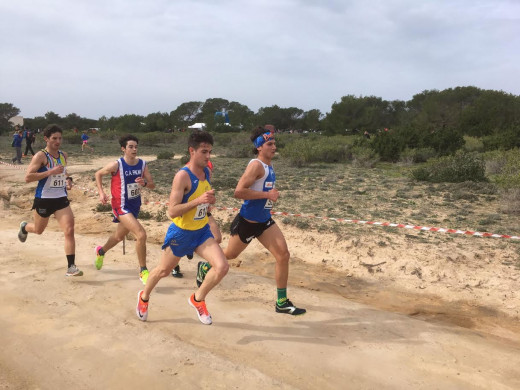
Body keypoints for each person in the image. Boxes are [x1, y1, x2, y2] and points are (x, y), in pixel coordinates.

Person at [196, 127, 306, 316]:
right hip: (247, 223)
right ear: (259, 148)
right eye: (269, 144)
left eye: (274, 143)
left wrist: (270, 196)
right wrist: (267, 194)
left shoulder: (269, 166)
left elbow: (261, 191)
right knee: (229, 255)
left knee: (283, 255)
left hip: (264, 222)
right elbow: (238, 191)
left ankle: (281, 302)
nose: (274, 146)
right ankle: (205, 266)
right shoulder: (256, 165)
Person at [136, 130, 229, 325]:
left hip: (201, 231)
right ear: (191, 151)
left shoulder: (207, 172)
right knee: (163, 271)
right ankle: (144, 297)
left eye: (210, 151)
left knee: (221, 267)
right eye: (204, 151)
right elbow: (172, 211)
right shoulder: (182, 176)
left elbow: (204, 202)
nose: (208, 156)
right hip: (181, 232)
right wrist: (198, 201)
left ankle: (197, 299)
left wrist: (208, 202)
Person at [18, 124, 82, 277]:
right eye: (54, 138)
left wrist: (68, 180)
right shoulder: (41, 156)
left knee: (69, 230)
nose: (57, 141)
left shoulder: (63, 155)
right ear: (46, 139)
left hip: (61, 199)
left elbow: (64, 173)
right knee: (39, 230)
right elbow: (28, 177)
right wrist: (50, 171)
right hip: (44, 199)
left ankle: (71, 267)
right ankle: (25, 227)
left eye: (60, 138)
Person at [94, 134, 155, 284]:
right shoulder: (117, 165)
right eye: (131, 147)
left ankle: (101, 251)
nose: (134, 149)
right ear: (123, 149)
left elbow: (152, 184)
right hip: (120, 206)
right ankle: (143, 271)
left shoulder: (142, 165)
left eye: (136, 147)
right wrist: (101, 192)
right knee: (141, 234)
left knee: (118, 236)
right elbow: (98, 174)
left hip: (135, 205)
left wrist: (144, 183)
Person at [171, 159, 222, 278]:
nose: (209, 173)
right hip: (187, 215)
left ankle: (202, 266)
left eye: (210, 171)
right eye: (208, 170)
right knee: (178, 247)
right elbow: (175, 207)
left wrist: (209, 204)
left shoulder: (206, 179)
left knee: (217, 238)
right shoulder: (184, 177)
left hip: (202, 215)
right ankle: (174, 265)